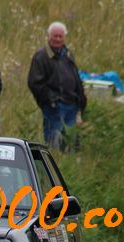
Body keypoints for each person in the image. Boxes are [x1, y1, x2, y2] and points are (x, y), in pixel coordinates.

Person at [27, 22, 86, 151]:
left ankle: (70, 168)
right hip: (54, 107)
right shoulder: (41, 56)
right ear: (48, 36)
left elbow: (76, 77)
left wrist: (81, 100)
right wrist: (50, 100)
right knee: (54, 144)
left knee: (72, 144)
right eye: (55, 36)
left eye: (60, 36)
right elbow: (34, 82)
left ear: (64, 37)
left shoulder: (68, 54)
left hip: (72, 105)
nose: (58, 39)